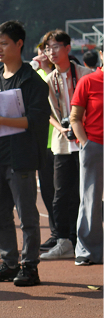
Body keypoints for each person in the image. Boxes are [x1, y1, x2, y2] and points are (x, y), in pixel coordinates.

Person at [0, 20, 50, 286]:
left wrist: (1, 120)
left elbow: (37, 120)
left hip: (21, 158)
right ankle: (9, 263)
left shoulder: (32, 80)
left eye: (4, 43)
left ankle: (30, 266)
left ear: (19, 44)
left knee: (27, 215)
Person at [40, 30, 93, 261]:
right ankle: (63, 241)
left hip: (86, 141)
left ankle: (84, 239)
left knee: (85, 193)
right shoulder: (48, 81)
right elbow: (47, 113)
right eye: (47, 48)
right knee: (60, 194)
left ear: (68, 48)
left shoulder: (85, 75)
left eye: (55, 47)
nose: (51, 52)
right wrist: (61, 128)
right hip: (62, 143)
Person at [69, 55, 102, 265]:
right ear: (102, 54)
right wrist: (85, 143)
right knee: (91, 199)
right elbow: (75, 117)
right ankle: (87, 251)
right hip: (95, 146)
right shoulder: (88, 81)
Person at [31, 42, 59, 250]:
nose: (44, 54)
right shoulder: (34, 75)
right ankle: (56, 233)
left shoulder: (58, 74)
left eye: (47, 50)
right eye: (41, 51)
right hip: (42, 142)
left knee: (63, 191)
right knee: (48, 191)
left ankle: (68, 233)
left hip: (61, 141)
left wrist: (47, 69)